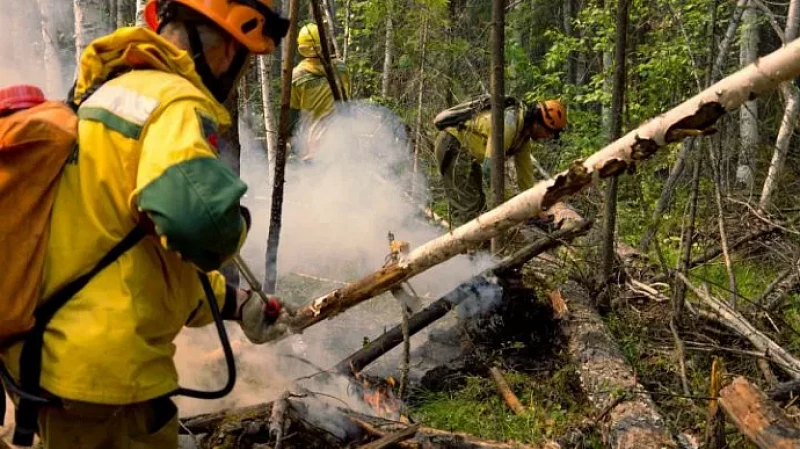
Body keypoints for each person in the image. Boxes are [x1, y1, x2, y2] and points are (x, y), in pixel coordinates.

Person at [0, 0, 291, 447]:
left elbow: (132, 259)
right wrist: (233, 223)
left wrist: (237, 303)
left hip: (48, 367)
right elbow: (198, 225)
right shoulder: (174, 101)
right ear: (229, 49)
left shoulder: (99, 97)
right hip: (110, 382)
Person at [434, 99, 567, 227]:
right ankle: (463, 248)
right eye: (548, 132)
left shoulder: (523, 136)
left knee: (479, 204)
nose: (548, 137)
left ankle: (480, 248)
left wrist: (534, 209)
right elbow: (490, 169)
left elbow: (525, 178)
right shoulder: (508, 123)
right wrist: (515, 203)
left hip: (466, 152)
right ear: (538, 122)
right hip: (453, 144)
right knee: (469, 209)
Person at [290, 22, 351, 162]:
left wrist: (291, 139)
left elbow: (293, 112)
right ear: (324, 44)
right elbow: (347, 99)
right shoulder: (341, 69)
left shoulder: (297, 75)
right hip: (341, 139)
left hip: (310, 144)